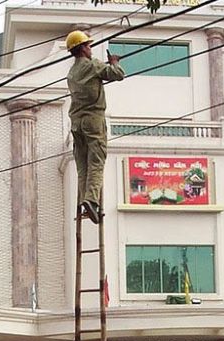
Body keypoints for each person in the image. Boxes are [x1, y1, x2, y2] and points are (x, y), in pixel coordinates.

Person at [66, 30, 125, 224]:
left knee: (82, 165)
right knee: (96, 162)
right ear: (82, 48)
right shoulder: (92, 65)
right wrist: (114, 61)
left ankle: (85, 200)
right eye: (89, 46)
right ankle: (91, 200)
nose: (91, 49)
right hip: (93, 119)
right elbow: (118, 74)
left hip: (76, 123)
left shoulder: (71, 73)